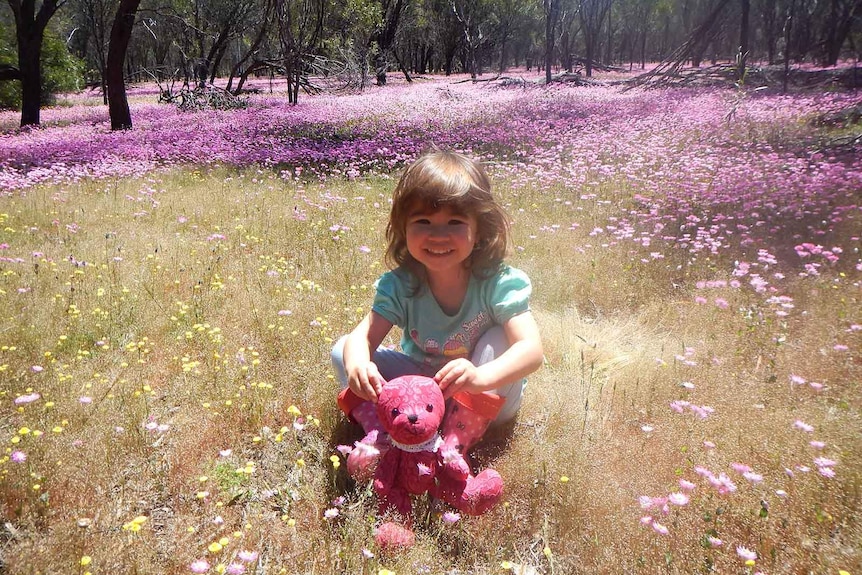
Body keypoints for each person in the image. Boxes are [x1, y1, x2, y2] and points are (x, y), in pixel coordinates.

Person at [332, 147, 543, 480]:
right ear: (403, 228)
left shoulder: (497, 282)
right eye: (423, 221)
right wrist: (360, 364)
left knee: (501, 336)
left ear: (480, 229)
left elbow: (531, 351)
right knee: (343, 349)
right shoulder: (402, 284)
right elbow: (363, 336)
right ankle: (387, 431)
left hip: (486, 395)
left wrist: (479, 378)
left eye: (455, 222)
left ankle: (455, 443)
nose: (438, 235)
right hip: (425, 386)